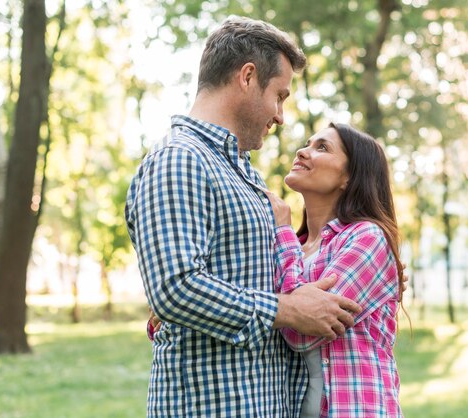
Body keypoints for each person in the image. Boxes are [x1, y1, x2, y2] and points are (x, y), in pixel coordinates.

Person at [125, 16, 362, 417]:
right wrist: (287, 310)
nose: (281, 115)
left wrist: (373, 261)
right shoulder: (180, 160)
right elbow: (175, 288)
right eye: (280, 95)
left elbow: (257, 271)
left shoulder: (240, 171)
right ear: (248, 77)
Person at [267, 123, 406, 417]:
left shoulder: (368, 238)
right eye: (307, 143)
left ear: (348, 177)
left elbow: (301, 333)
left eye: (322, 147)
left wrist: (282, 230)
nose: (302, 152)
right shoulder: (295, 246)